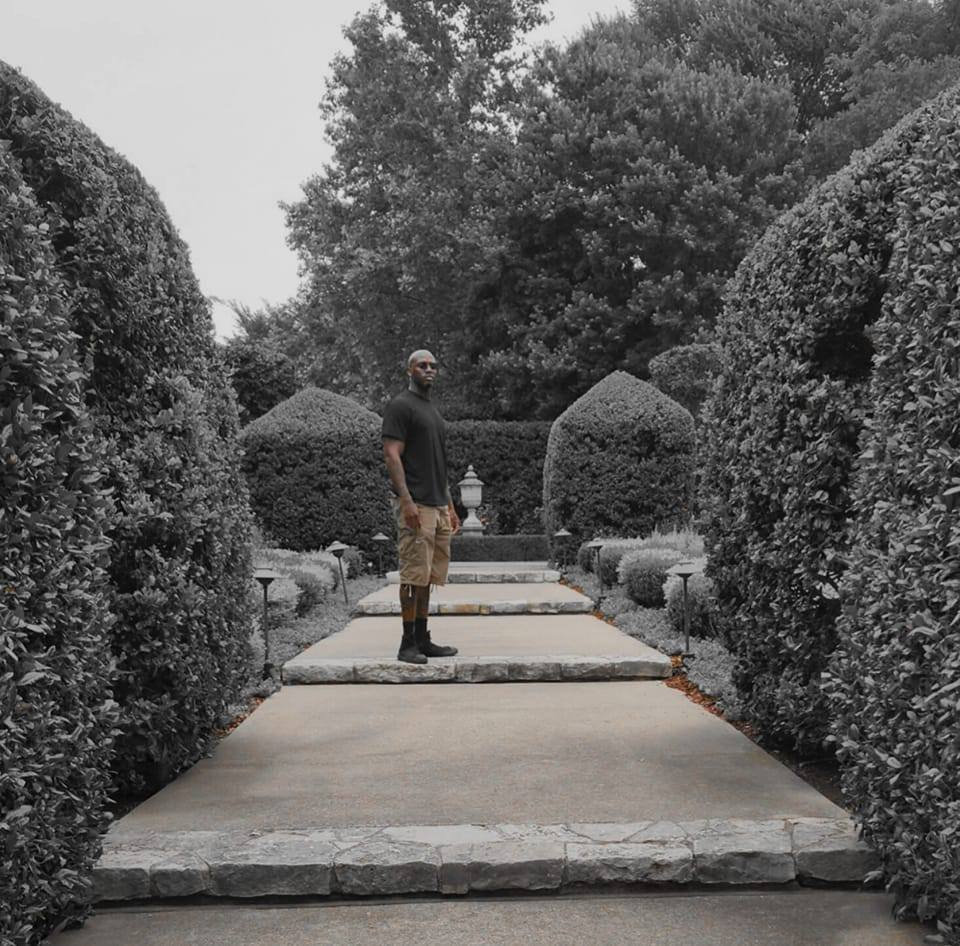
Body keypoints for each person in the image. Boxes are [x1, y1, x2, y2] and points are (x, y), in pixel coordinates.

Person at [382, 349, 462, 664]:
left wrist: (449, 505)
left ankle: (422, 638)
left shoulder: (432, 412)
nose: (429, 370)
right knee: (413, 575)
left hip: (437, 505)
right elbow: (392, 455)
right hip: (416, 504)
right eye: (422, 365)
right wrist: (406, 500)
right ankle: (406, 644)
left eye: (433, 366)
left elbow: (437, 464)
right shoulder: (400, 406)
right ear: (409, 370)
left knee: (428, 575)